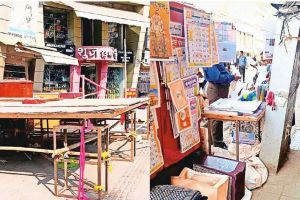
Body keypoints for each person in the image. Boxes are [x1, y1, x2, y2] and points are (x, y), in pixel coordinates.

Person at [203, 63, 241, 149]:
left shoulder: (216, 58)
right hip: (216, 88)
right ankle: (216, 142)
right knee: (216, 117)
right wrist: (232, 77)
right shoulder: (210, 59)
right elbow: (216, 77)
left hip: (221, 88)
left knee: (218, 117)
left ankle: (217, 140)